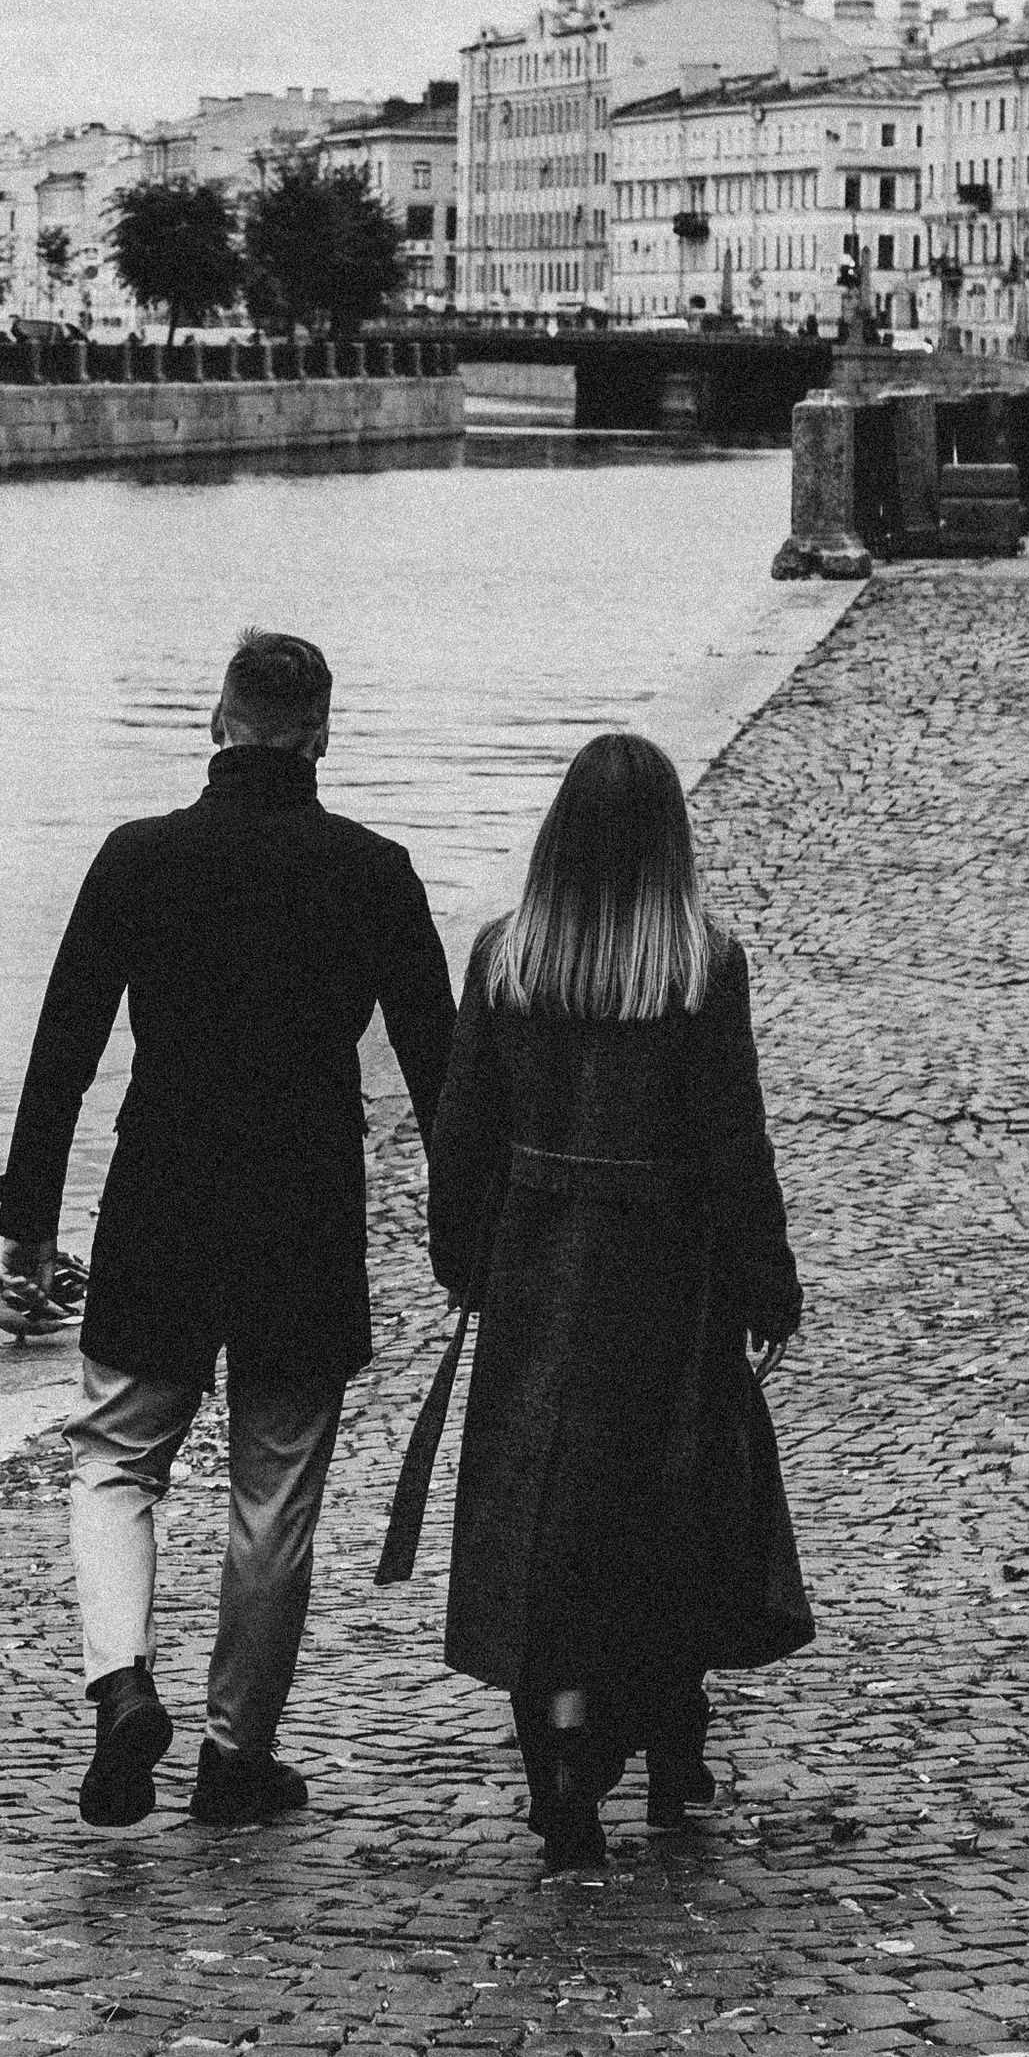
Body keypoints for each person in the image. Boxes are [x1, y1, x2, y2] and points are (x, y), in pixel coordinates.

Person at [0, 629, 456, 1831]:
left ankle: (118, 1683)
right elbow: (443, 1074)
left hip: (160, 1199)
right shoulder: (375, 872)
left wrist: (26, 1229)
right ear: (318, 733)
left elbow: (63, 1054)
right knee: (274, 1487)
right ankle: (232, 1752)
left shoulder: (137, 861)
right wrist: (472, 1237)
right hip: (302, 1215)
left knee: (114, 1460)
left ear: (216, 722)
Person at [427, 733, 809, 1868]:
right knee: (668, 1509)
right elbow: (734, 1142)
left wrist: (467, 1265)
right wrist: (764, 1284)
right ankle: (669, 1740)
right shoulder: (698, 964)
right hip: (666, 1284)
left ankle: (559, 1760)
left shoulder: (507, 957)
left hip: (541, 1278)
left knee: (546, 1520)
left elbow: (460, 1135)